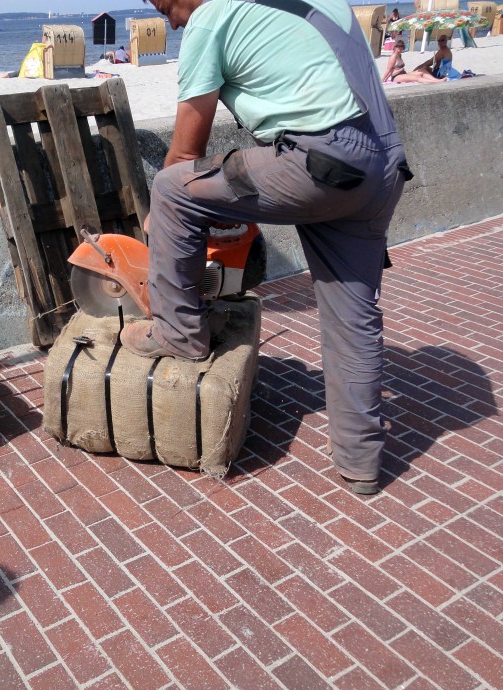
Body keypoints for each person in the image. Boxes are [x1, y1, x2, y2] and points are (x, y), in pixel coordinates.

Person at [119, 0, 412, 495]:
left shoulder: (210, 18)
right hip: (381, 166)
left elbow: (186, 152)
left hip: (322, 161)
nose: (170, 21)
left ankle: (178, 334)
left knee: (171, 187)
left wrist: (161, 218)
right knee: (352, 315)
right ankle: (360, 463)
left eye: (165, 5)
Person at [381, 39, 447, 83]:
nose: (400, 48)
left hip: (403, 74)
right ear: (395, 47)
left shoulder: (399, 55)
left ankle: (436, 80)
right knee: (417, 77)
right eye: (398, 46)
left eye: (401, 46)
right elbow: (389, 70)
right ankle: (436, 82)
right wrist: (383, 79)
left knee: (422, 71)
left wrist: (401, 70)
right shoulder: (394, 56)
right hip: (396, 77)